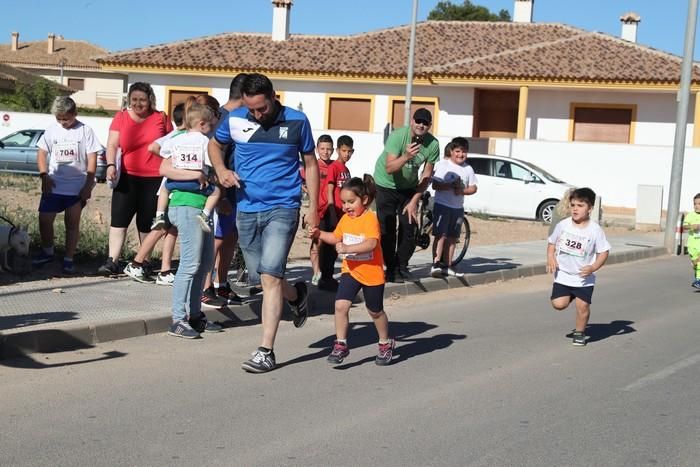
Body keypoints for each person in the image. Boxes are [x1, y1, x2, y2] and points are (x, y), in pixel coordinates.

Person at [210, 73, 319, 373]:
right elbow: (215, 147)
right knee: (263, 274)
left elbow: (310, 163)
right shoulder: (234, 120)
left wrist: (314, 208)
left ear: (273, 96)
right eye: (252, 110)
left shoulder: (298, 121)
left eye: (262, 109)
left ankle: (265, 350)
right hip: (246, 207)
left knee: (270, 275)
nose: (257, 115)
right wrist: (221, 170)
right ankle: (297, 296)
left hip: (283, 207)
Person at [311, 175, 395, 365]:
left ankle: (385, 343)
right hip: (351, 270)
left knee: (375, 311)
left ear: (364, 200)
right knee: (340, 306)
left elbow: (372, 243)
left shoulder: (370, 219)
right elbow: (335, 236)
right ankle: (341, 345)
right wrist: (319, 234)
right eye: (343, 202)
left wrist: (348, 249)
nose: (346, 206)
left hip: (371, 274)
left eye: (351, 202)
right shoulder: (346, 220)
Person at [159, 100, 223, 338]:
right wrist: (196, 175)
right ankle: (177, 318)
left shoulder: (177, 140)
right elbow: (163, 168)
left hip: (200, 208)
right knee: (190, 264)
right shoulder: (202, 142)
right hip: (187, 206)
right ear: (203, 123)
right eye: (213, 122)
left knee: (204, 264)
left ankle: (195, 315)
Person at [99, 82, 173, 275]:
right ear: (129, 100)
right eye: (134, 100)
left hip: (154, 178)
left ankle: (144, 261)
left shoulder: (161, 118)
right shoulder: (121, 117)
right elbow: (112, 144)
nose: (138, 104)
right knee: (119, 220)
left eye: (142, 100)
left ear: (150, 100)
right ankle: (112, 260)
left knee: (147, 222)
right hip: (127, 177)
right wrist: (110, 166)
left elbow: (173, 144)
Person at [32, 96, 101, 274]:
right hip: (54, 184)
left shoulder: (85, 131)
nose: (62, 122)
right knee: (45, 219)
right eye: (59, 119)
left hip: (76, 186)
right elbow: (41, 154)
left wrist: (88, 185)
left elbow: (92, 158)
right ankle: (47, 251)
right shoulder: (51, 131)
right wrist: (44, 176)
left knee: (72, 221)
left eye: (66, 118)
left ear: (75, 113)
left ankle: (68, 258)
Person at [122, 102, 186, 285]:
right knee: (161, 227)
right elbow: (152, 147)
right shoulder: (178, 136)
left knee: (171, 228)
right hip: (171, 189)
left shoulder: (175, 135)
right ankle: (136, 262)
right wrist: (170, 162)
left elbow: (154, 147)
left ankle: (165, 270)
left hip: (174, 188)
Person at [373, 108, 440, 283]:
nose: (421, 125)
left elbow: (426, 175)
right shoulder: (398, 136)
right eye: (418, 121)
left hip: (408, 189)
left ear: (429, 126)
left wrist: (414, 201)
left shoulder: (433, 144)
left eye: (425, 123)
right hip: (385, 184)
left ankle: (402, 266)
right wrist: (406, 156)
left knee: (409, 227)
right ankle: (390, 269)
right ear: (412, 121)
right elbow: (389, 167)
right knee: (387, 229)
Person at [201, 74, 249, 308]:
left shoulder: (238, 118)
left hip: (234, 190)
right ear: (244, 96)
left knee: (230, 237)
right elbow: (212, 158)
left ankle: (222, 284)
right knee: (217, 239)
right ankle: (204, 286)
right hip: (220, 190)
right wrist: (218, 196)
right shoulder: (221, 119)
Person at [547, 187, 611, 346]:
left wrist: (593, 267)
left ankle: (580, 332)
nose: (575, 209)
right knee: (558, 305)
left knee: (582, 307)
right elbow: (551, 242)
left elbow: (604, 252)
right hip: (563, 274)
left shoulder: (595, 230)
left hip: (583, 277)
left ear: (590, 208)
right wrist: (550, 257)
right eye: (573, 205)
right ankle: (570, 295)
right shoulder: (563, 225)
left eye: (580, 205)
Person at [430, 137, 477, 278]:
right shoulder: (443, 165)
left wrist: (462, 191)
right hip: (442, 205)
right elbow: (435, 185)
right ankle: (436, 263)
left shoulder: (468, 169)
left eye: (463, 152)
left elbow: (474, 187)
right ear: (451, 151)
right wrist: (450, 185)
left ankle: (448, 265)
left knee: (452, 237)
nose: (460, 155)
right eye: (457, 151)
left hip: (457, 207)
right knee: (441, 235)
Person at [316, 134, 354, 291]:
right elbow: (330, 189)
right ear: (338, 150)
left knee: (336, 246)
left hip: (342, 213)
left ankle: (329, 277)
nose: (346, 154)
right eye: (344, 150)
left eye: (349, 151)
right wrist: (331, 210)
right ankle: (325, 278)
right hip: (331, 212)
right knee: (328, 247)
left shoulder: (345, 169)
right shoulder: (334, 167)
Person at [303, 134, 334, 286]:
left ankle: (326, 272)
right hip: (317, 211)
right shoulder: (313, 165)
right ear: (317, 149)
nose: (325, 152)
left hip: (331, 211)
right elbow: (301, 179)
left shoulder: (335, 166)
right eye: (322, 148)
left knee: (329, 244)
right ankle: (316, 272)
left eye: (328, 149)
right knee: (316, 242)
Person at [682, 193, 700, 289]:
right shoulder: (690, 215)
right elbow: (684, 227)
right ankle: (696, 268)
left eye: (699, 204)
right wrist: (692, 226)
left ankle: (698, 280)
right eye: (695, 204)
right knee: (695, 264)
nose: (697, 206)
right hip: (692, 245)